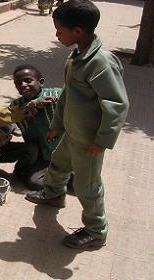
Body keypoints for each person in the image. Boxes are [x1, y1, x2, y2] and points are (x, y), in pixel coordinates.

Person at [25, 0, 129, 250]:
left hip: (89, 141)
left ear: (78, 31)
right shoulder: (78, 55)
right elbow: (68, 96)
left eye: (60, 30)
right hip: (72, 132)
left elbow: (117, 104)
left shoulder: (100, 62)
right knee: (59, 164)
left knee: (87, 185)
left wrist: (102, 141)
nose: (57, 34)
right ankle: (53, 194)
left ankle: (96, 231)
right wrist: (57, 125)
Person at [11, 64, 62, 190]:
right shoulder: (17, 106)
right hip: (44, 157)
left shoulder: (57, 95)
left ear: (41, 82)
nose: (23, 85)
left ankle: (68, 177)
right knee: (33, 182)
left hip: (68, 154)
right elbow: (3, 120)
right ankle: (62, 179)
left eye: (28, 80)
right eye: (18, 83)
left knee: (84, 183)